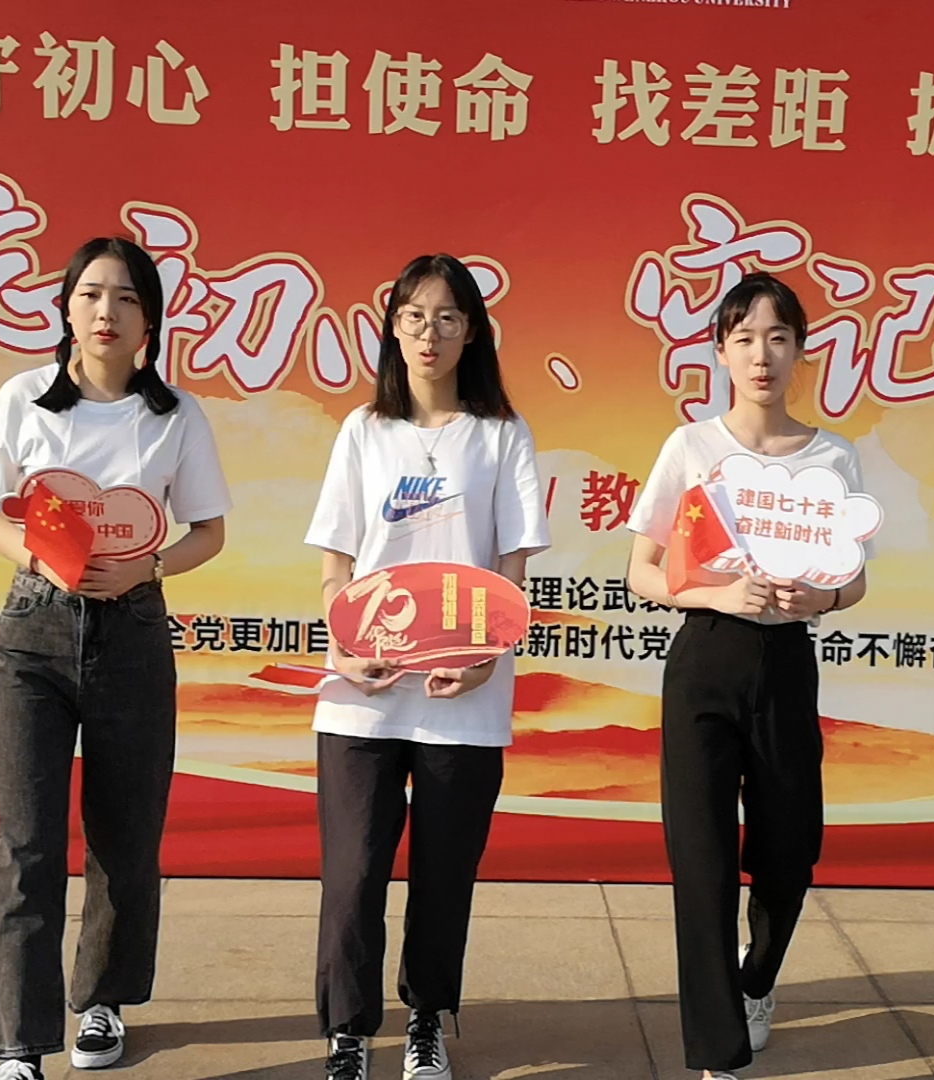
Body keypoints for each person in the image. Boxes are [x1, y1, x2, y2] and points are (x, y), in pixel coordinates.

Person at [0, 236, 231, 1080]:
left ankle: (102, 1002)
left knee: (125, 838)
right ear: (67, 309)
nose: (106, 312)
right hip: (33, 632)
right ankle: (18, 1042)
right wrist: (36, 558)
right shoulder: (24, 400)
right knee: (27, 844)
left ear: (150, 321)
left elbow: (209, 531)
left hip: (134, 633)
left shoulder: (175, 416)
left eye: (126, 298)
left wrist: (149, 567)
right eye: (90, 295)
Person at [305, 253, 550, 1080]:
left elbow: (512, 567)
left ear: (471, 331)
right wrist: (345, 646)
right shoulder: (363, 430)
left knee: (444, 876)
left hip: (463, 694)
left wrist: (486, 658)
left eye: (446, 317)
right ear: (393, 329)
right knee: (353, 875)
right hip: (363, 693)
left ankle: (426, 1022)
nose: (428, 333)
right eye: (413, 317)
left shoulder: (501, 433)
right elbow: (336, 565)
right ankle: (347, 1032)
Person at [625, 272, 871, 1080]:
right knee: (700, 861)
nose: (761, 356)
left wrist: (820, 597)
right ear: (721, 353)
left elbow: (854, 580)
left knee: (789, 852)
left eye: (777, 338)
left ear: (800, 351)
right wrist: (717, 593)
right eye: (744, 339)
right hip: (705, 658)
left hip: (786, 663)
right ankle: (717, 1049)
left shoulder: (833, 456)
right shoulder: (692, 448)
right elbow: (642, 570)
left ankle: (756, 978)